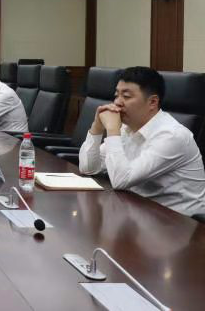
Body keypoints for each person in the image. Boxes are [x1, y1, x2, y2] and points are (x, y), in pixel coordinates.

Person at [79, 67, 205, 217]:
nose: (117, 102)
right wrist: (97, 127)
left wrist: (112, 130)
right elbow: (88, 168)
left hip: (178, 222)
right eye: (116, 95)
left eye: (126, 96)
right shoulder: (127, 128)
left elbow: (121, 180)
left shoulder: (172, 136)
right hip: (139, 211)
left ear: (152, 102)